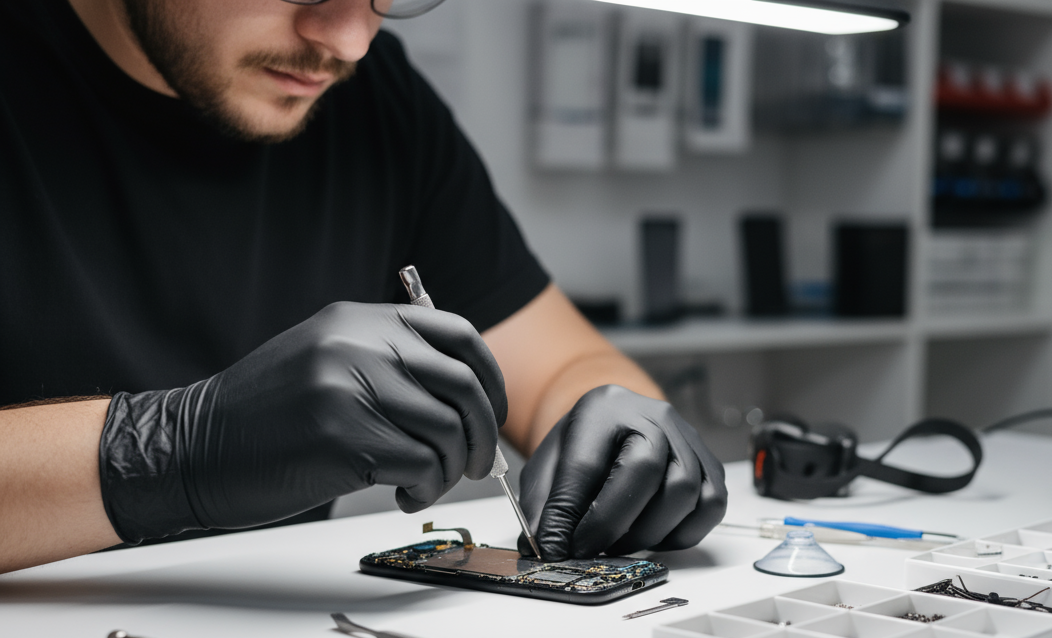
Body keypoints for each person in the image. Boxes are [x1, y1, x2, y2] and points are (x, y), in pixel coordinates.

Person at [0, 0, 727, 573]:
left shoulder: (375, 101)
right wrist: (173, 451)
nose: (349, 40)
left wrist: (623, 443)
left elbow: (563, 367)